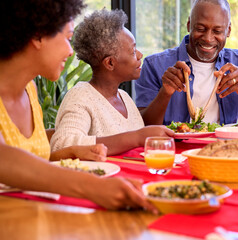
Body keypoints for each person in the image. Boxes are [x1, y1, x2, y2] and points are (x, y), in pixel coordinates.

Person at [0, 0, 156, 212]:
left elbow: (30, 155)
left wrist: (69, 151)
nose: (70, 51)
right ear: (38, 36)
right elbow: (6, 159)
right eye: (67, 38)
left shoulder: (29, 90)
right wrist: (94, 187)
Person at [135, 0, 238, 126]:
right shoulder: (155, 65)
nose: (208, 38)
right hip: (174, 152)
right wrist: (165, 93)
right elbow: (142, 124)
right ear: (189, 25)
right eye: (200, 29)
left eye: (217, 31)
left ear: (228, 31)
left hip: (222, 151)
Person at [50, 9, 174, 155]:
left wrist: (166, 92)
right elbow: (61, 145)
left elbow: (140, 134)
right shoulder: (81, 96)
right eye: (133, 51)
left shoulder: (124, 97)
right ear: (110, 63)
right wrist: (135, 138)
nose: (140, 55)